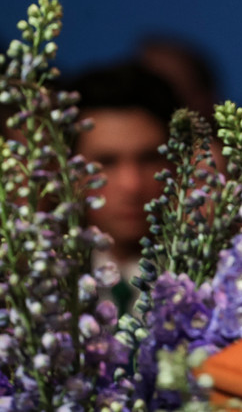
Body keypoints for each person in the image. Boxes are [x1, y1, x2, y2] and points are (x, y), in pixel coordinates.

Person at [68, 63, 179, 312]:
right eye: (107, 162)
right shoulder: (42, 286)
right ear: (71, 174)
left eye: (149, 159)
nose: (132, 185)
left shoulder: (213, 284)